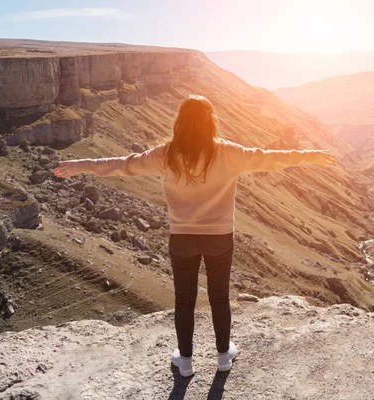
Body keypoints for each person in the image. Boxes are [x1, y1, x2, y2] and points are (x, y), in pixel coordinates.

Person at [53, 94, 336, 377]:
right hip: (220, 237)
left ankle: (185, 361)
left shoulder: (166, 154)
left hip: (183, 238)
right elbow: (269, 159)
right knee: (219, 297)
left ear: (180, 123)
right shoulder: (227, 152)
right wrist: (310, 156)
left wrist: (82, 164)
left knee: (184, 300)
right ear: (210, 122)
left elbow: (124, 165)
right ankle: (224, 357)